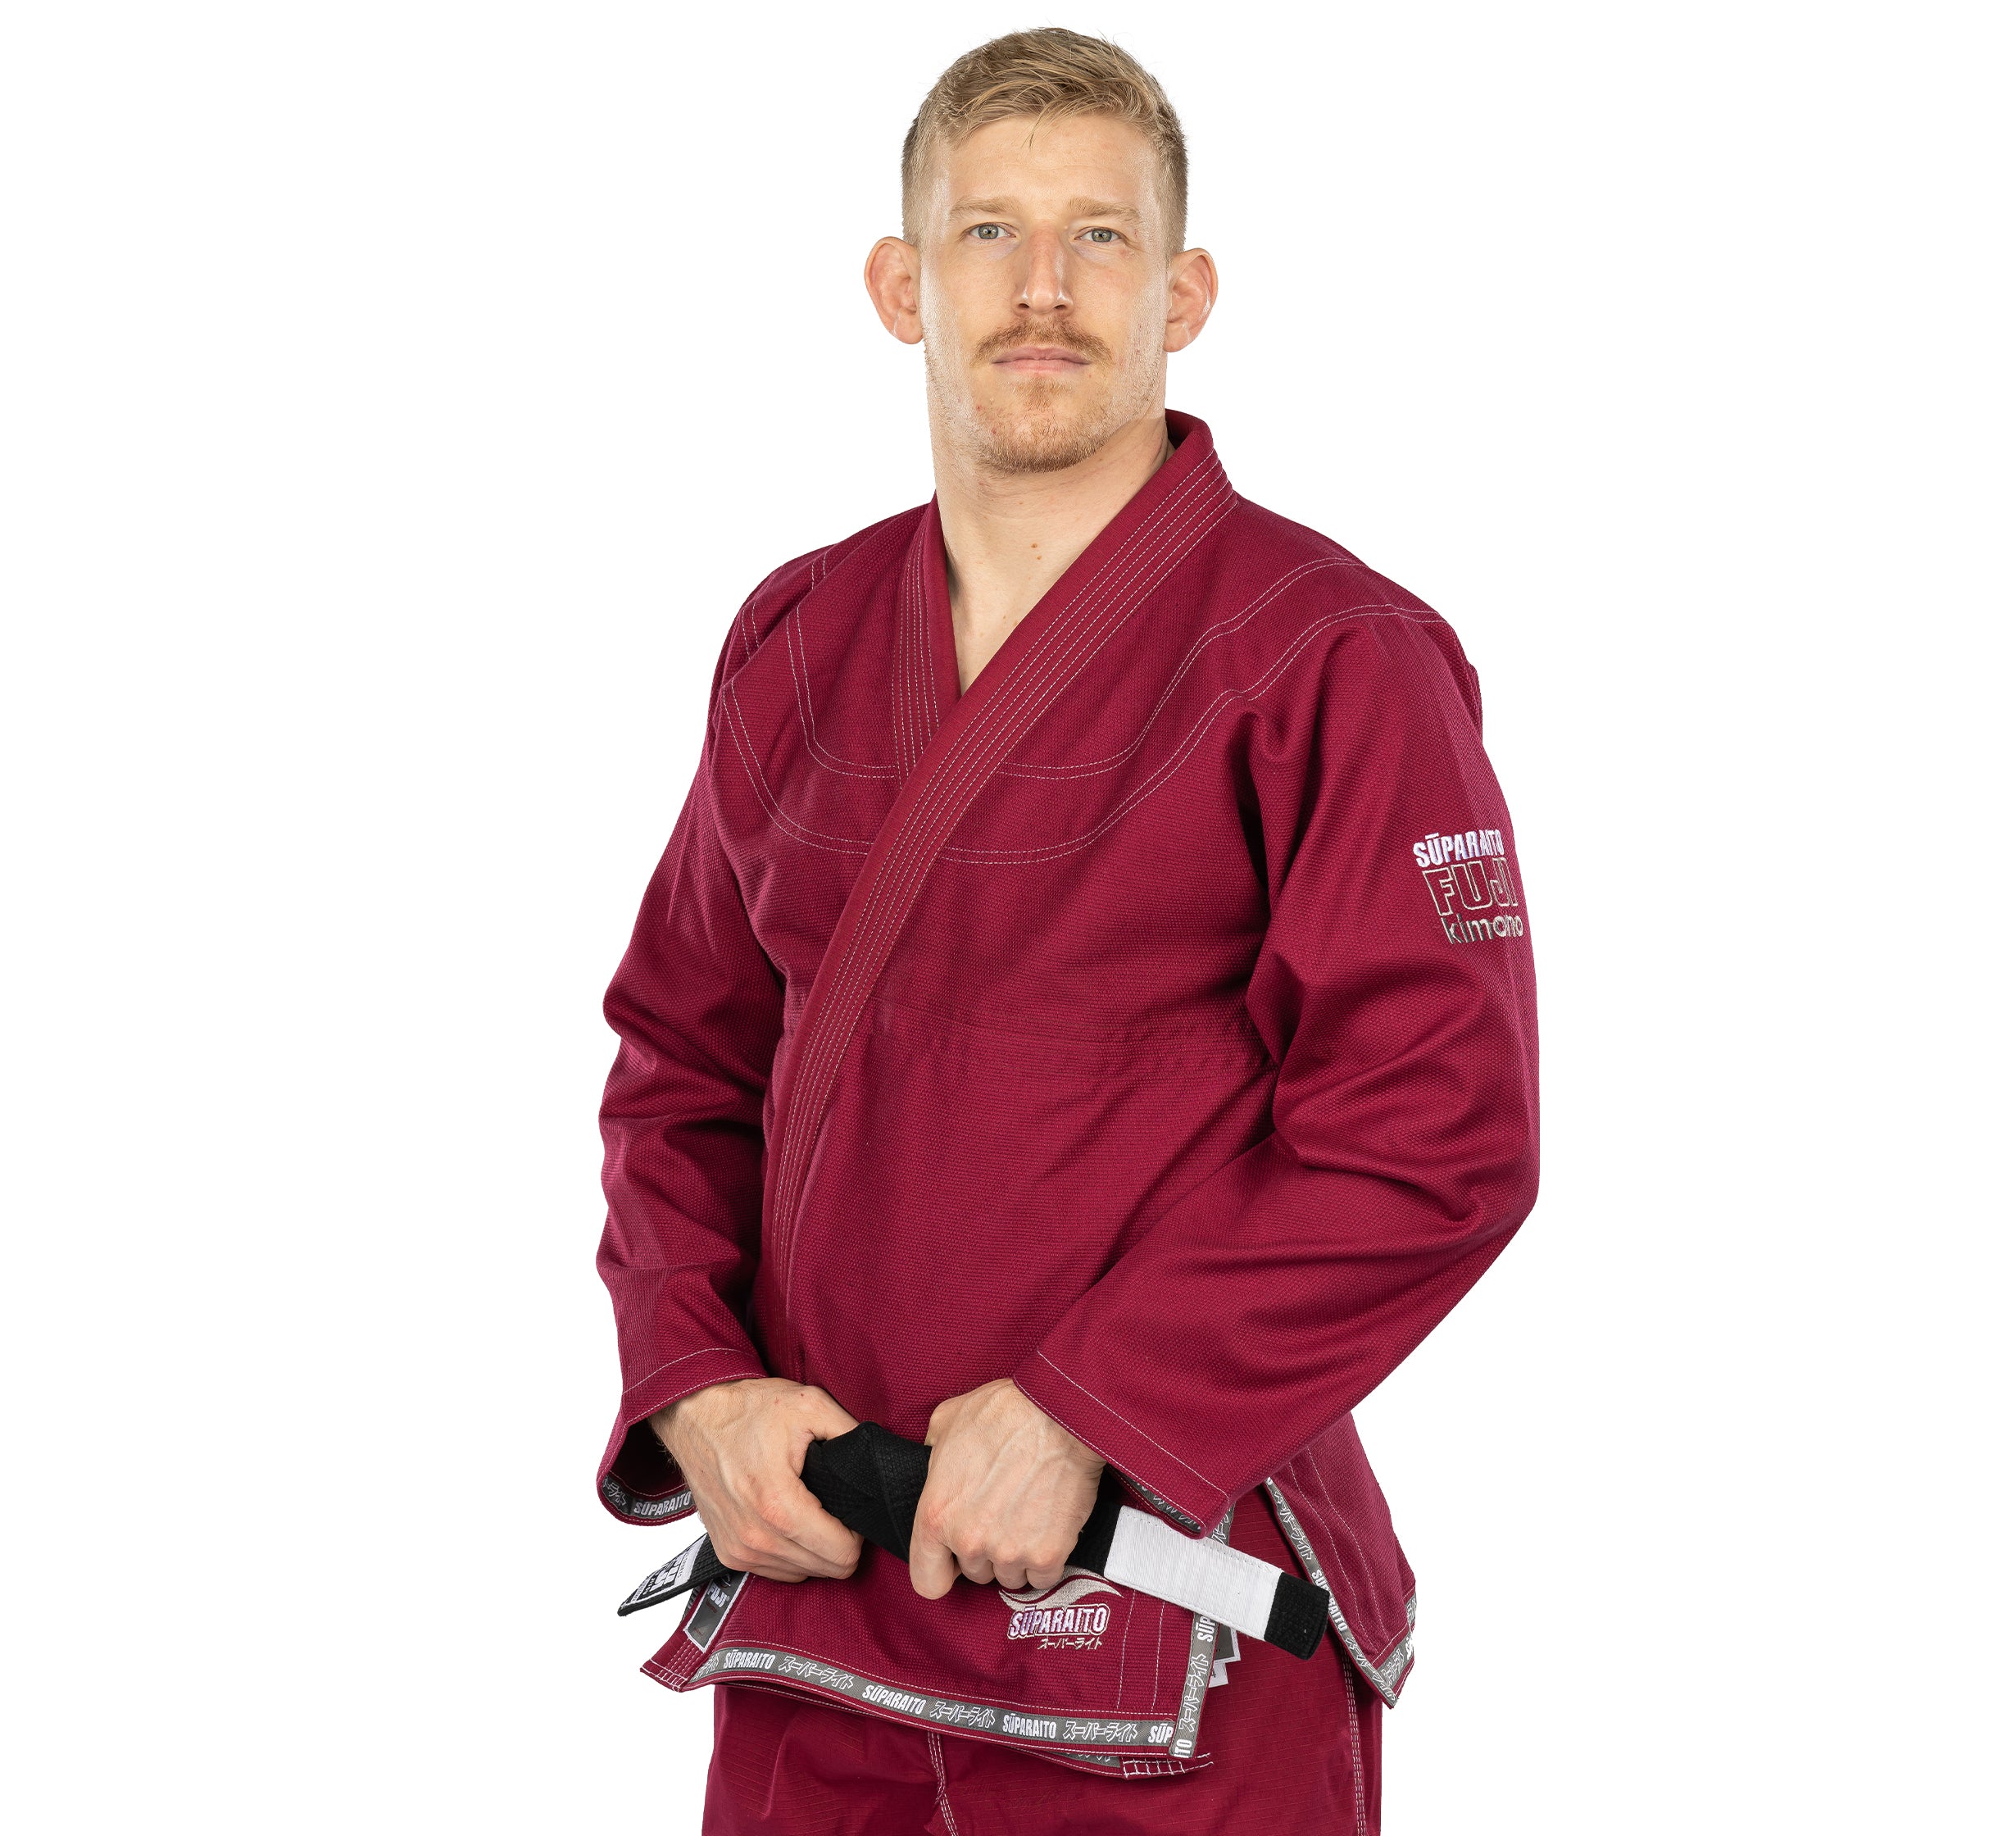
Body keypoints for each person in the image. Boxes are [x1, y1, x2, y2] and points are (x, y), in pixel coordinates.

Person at [594, 27, 1538, 1834]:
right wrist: (698, 1384)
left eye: (1101, 239)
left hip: (1165, 1617)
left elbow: (1443, 1131)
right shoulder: (792, 637)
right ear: (899, 284)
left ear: (1185, 289)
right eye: (987, 235)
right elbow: (683, 1062)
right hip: (822, 1604)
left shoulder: (1336, 657)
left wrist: (1093, 1406)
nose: (1043, 290)